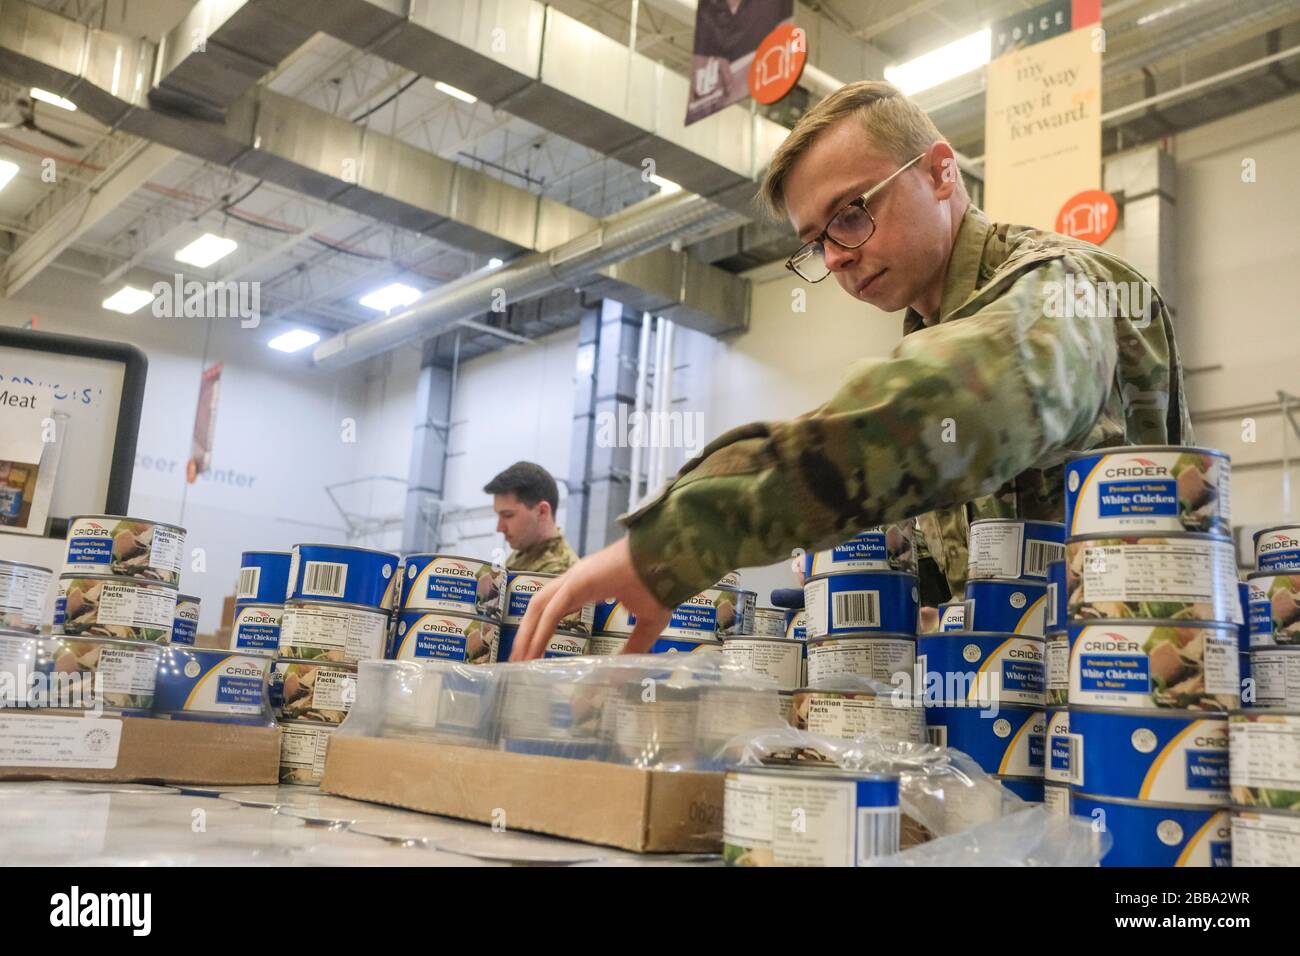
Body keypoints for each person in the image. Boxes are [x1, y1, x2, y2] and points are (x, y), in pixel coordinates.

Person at [510, 80, 1189, 659]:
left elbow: (963, 398)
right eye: (816, 241)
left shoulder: (1066, 287)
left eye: (851, 215)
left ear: (941, 172)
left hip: (1125, 721)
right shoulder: (937, 328)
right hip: (1016, 721)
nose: (835, 257)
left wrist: (690, 535)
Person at [484, 461, 578, 574]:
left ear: (542, 512)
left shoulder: (557, 572)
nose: (499, 528)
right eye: (499, 515)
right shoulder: (525, 550)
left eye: (508, 515)